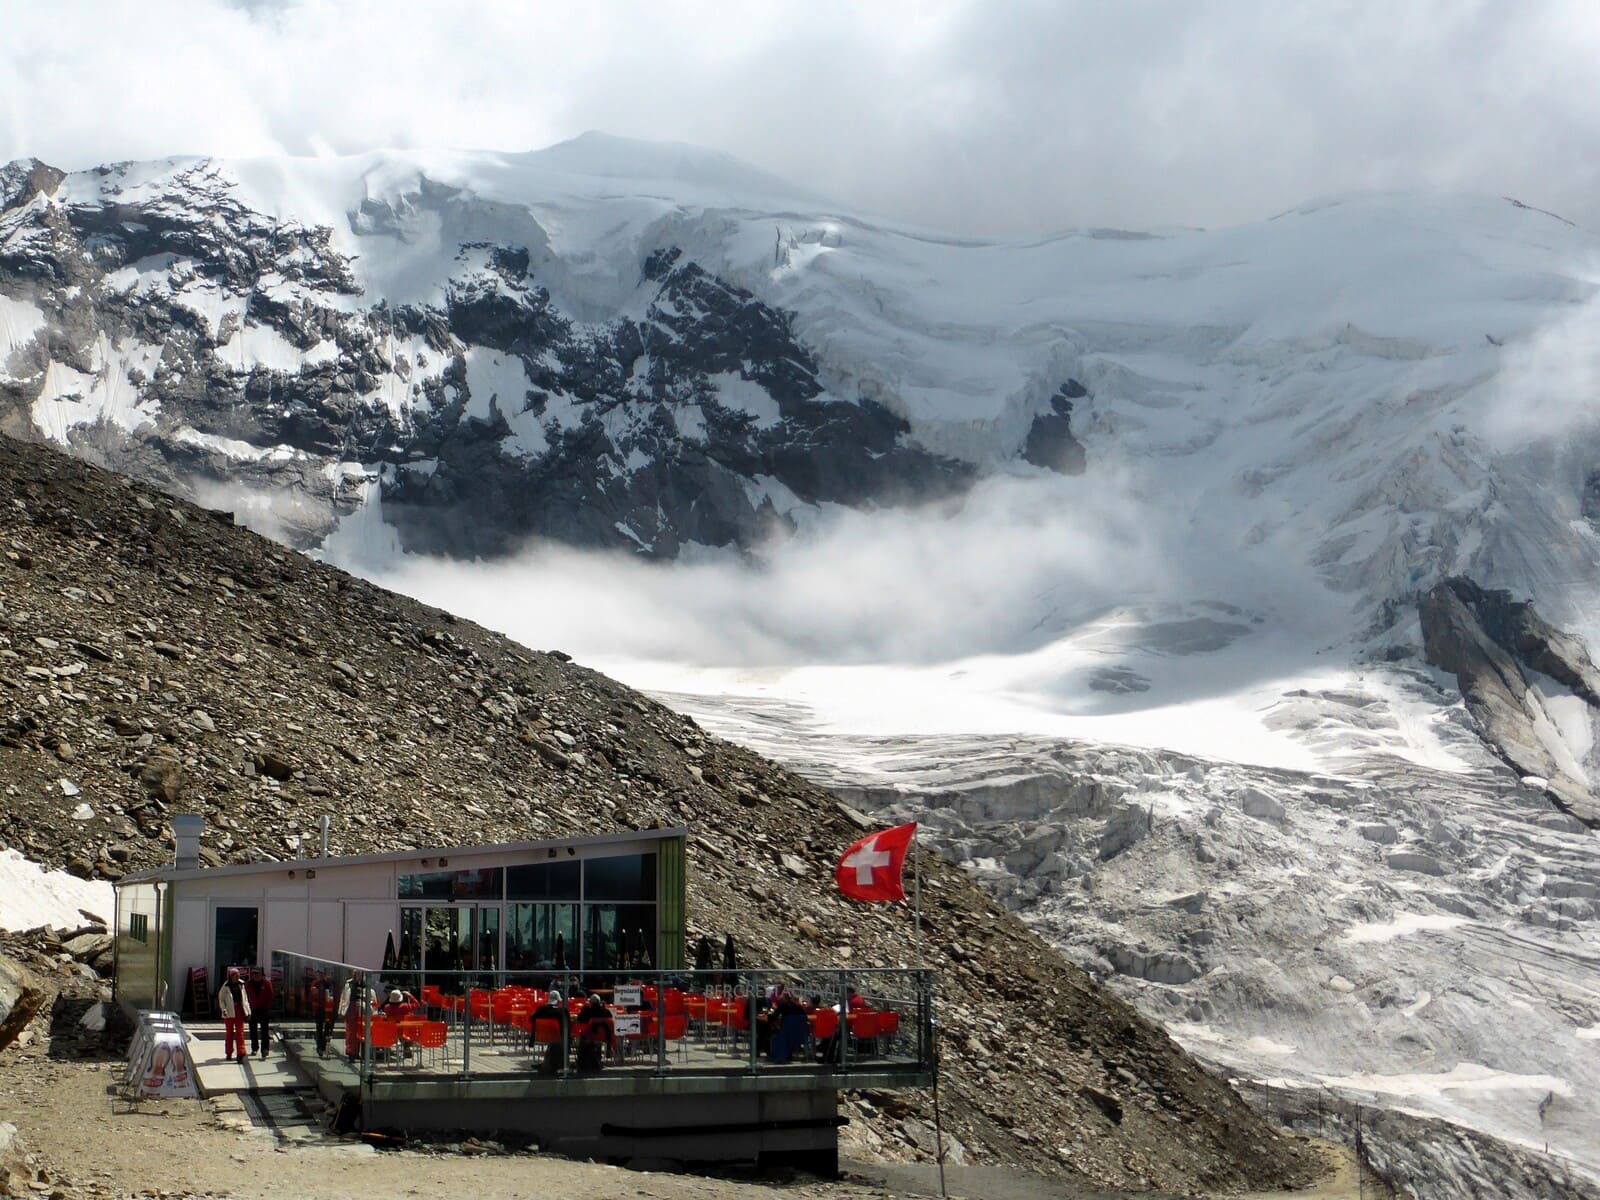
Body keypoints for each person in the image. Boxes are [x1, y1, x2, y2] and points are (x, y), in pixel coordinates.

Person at [529, 989, 569, 1075]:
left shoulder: (540, 1010)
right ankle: (557, 1064)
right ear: (558, 1000)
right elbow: (567, 1024)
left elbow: (531, 1019)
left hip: (542, 1036)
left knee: (552, 1044)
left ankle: (546, 1064)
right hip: (558, 1037)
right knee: (561, 1040)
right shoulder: (561, 1011)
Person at [216, 967, 251, 1063]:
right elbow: (221, 999)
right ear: (231, 976)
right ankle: (229, 1052)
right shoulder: (225, 986)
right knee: (230, 1033)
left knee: (240, 1032)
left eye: (238, 976)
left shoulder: (241, 984)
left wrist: (248, 1011)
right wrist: (223, 1009)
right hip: (229, 1011)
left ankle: (241, 1053)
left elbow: (245, 999)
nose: (237, 977)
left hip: (239, 1010)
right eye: (235, 976)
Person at [767, 989, 810, 1065]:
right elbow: (805, 1018)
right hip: (800, 1034)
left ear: (784, 999)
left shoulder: (783, 1006)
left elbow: (773, 1017)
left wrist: (769, 1015)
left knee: (775, 1035)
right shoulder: (798, 1007)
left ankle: (777, 1056)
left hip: (787, 1034)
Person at [574, 995, 613, 1073]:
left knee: (583, 1039)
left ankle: (586, 1062)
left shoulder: (586, 1011)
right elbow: (610, 1022)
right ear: (599, 1002)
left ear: (590, 1002)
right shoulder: (606, 1011)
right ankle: (597, 1061)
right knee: (594, 1041)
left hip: (589, 1037)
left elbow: (579, 1019)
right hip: (602, 1037)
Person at [245, 967, 274, 1059]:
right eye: (254, 974)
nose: (256, 976)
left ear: (262, 975)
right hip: (252, 1010)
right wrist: (247, 1010)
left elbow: (270, 996)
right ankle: (254, 1048)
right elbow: (245, 997)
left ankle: (265, 1049)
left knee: (264, 1030)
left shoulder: (267, 983)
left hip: (264, 1010)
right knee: (253, 1030)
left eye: (258, 974)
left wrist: (268, 1008)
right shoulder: (248, 984)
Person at [313, 972, 337, 1057]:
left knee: (328, 1029)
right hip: (320, 1009)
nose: (329, 976)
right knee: (319, 1029)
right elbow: (313, 995)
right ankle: (320, 1048)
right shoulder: (317, 983)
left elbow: (336, 997)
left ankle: (323, 1046)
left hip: (330, 1011)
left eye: (330, 975)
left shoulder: (333, 985)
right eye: (327, 975)